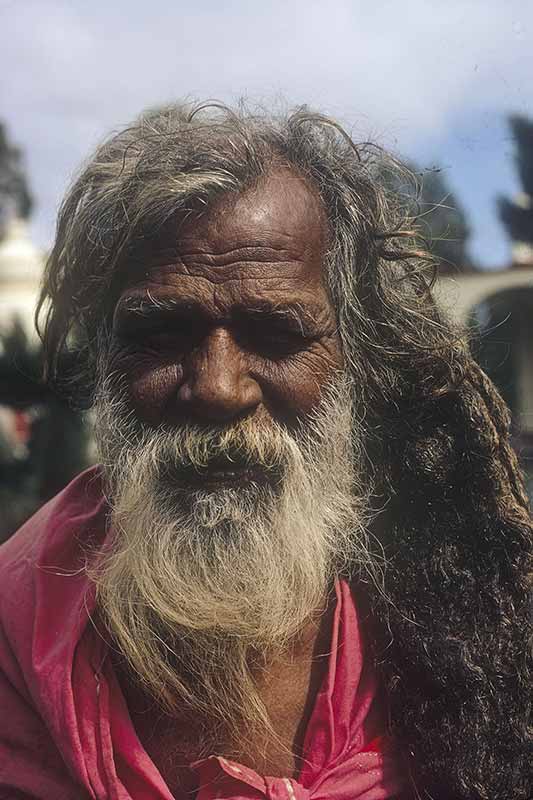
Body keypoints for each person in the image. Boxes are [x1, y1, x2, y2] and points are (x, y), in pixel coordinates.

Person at [0, 102, 531, 800]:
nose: (218, 390)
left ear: (357, 362)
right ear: (103, 360)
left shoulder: (475, 618)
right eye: (161, 333)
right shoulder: (16, 631)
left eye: (276, 332)